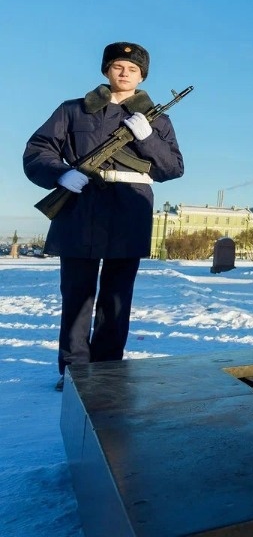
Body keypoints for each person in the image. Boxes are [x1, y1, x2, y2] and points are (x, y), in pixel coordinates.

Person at [23, 42, 184, 391]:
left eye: (133, 68)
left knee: (117, 297)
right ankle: (75, 371)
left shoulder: (159, 120)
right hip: (80, 208)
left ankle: (108, 371)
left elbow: (172, 168)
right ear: (107, 70)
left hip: (129, 211)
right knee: (77, 296)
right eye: (118, 66)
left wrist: (150, 138)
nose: (124, 73)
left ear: (142, 76)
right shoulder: (73, 111)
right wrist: (59, 174)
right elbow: (37, 150)